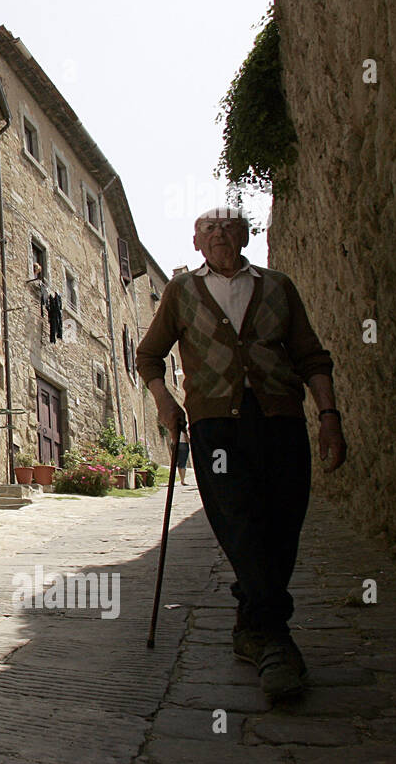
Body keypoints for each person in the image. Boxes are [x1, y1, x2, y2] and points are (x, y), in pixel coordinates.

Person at [136, 207, 347, 701]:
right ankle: (274, 639)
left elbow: (312, 356)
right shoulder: (181, 292)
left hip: (280, 420)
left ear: (245, 235)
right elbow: (149, 354)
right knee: (238, 520)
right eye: (208, 227)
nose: (219, 233)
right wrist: (167, 403)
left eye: (229, 225)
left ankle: (251, 620)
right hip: (215, 429)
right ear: (196, 242)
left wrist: (329, 415)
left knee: (283, 522)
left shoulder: (278, 286)